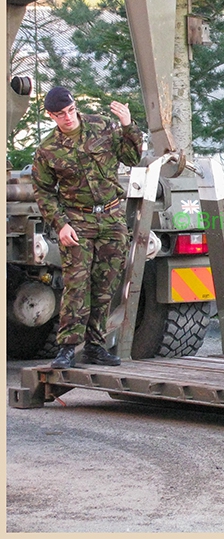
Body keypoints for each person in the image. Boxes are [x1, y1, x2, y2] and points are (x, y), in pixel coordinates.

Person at [31, 86, 143, 369]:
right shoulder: (47, 149)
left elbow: (132, 158)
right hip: (77, 220)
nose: (67, 118)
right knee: (76, 285)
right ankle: (67, 348)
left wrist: (128, 125)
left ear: (75, 106)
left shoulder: (102, 126)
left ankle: (95, 345)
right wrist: (60, 225)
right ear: (50, 115)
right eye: (59, 114)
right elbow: (44, 191)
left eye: (69, 111)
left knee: (105, 285)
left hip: (111, 216)